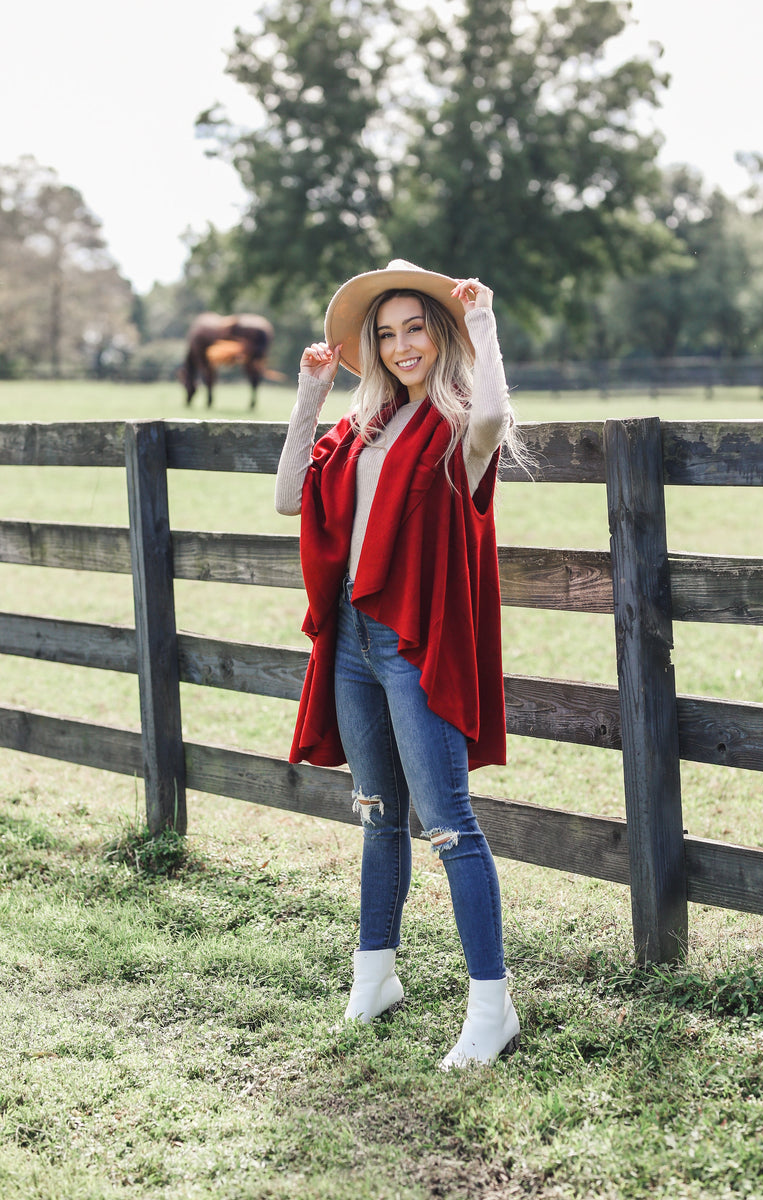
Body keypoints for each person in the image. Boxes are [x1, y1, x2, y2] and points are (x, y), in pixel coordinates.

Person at [275, 259, 522, 1069]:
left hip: (416, 643)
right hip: (350, 642)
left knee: (450, 823)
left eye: (416, 327)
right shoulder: (362, 431)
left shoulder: (457, 430)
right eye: (385, 334)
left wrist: (481, 322)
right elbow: (288, 497)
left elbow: (492, 414)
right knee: (379, 814)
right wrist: (312, 392)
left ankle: (492, 1008)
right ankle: (374, 976)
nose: (401, 344)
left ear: (439, 334)